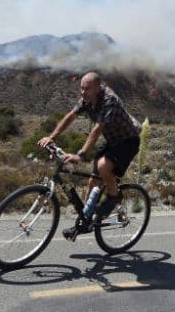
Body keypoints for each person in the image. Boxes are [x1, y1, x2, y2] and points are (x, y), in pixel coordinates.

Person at [36, 71, 140, 240]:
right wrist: (51, 137)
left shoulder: (109, 100)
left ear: (98, 88)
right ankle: (84, 221)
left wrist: (81, 154)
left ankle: (115, 197)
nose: (83, 92)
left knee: (102, 167)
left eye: (87, 89)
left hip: (128, 141)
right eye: (81, 88)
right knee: (93, 181)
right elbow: (71, 116)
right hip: (112, 141)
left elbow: (96, 129)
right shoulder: (86, 98)